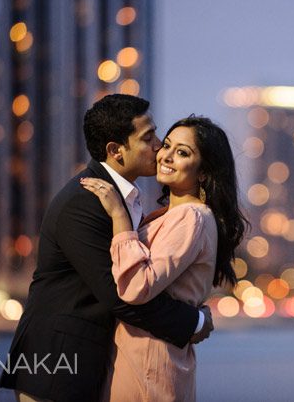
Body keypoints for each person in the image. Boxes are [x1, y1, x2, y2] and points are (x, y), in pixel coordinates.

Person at [0, 96, 214, 402]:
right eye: (148, 138)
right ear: (115, 151)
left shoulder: (122, 198)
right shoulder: (85, 201)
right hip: (56, 365)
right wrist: (194, 322)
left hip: (84, 363)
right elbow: (121, 294)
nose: (158, 147)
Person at [80, 116, 247, 402]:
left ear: (204, 172)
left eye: (183, 152)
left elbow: (136, 286)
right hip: (142, 359)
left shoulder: (191, 217)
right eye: (167, 145)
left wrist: (120, 217)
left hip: (150, 367)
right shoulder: (170, 216)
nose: (166, 156)